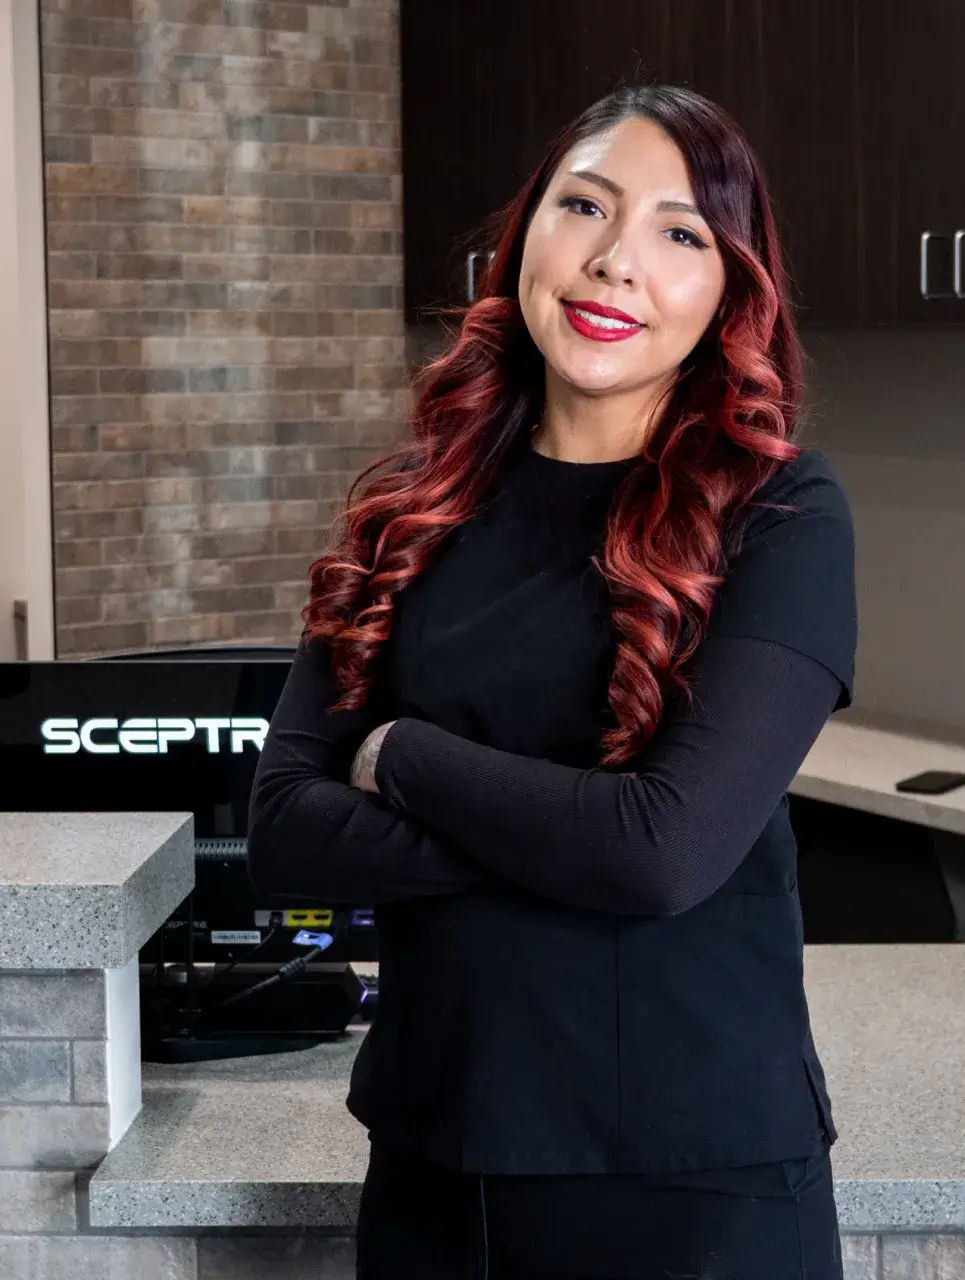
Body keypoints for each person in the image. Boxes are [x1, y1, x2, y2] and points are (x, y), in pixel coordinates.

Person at [247, 83, 855, 1280]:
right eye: (584, 206)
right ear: (525, 233)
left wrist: (399, 755)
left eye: (679, 233)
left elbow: (663, 852)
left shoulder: (780, 513)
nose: (615, 259)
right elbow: (282, 830)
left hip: (690, 1185)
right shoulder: (410, 510)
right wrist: (584, 832)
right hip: (434, 1164)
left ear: (728, 290)